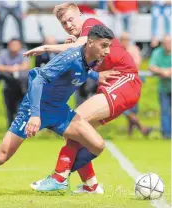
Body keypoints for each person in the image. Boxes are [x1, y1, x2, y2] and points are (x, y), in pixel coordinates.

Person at [0, 25, 120, 196]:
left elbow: (81, 70)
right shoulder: (70, 58)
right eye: (104, 45)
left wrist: (97, 76)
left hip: (58, 111)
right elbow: (38, 81)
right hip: (34, 108)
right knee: (1, 156)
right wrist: (35, 115)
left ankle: (59, 178)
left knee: (97, 145)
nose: (107, 51)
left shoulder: (93, 59)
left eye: (109, 46)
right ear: (90, 42)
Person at [24, 3, 141, 194]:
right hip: (112, 84)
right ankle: (90, 185)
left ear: (80, 13)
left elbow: (77, 46)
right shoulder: (81, 38)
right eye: (63, 23)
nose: (68, 24)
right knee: (78, 133)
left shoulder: (91, 24)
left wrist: (46, 47)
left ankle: (59, 177)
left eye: (71, 19)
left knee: (75, 121)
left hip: (125, 81)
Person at [120, 32, 152, 136]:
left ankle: (130, 134)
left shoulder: (133, 50)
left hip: (133, 82)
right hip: (121, 83)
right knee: (123, 107)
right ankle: (142, 129)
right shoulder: (117, 50)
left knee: (132, 108)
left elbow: (136, 64)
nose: (125, 41)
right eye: (123, 39)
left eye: (126, 39)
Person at [0, 38, 30, 128]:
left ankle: (22, 128)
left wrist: (15, 68)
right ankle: (11, 129)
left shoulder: (24, 53)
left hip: (22, 86)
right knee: (10, 109)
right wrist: (11, 69)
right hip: (8, 86)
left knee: (22, 108)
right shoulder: (3, 54)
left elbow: (26, 66)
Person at [149, 35, 171, 139]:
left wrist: (169, 71)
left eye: (169, 42)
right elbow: (151, 67)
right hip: (163, 88)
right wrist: (163, 71)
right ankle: (166, 134)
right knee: (165, 111)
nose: (168, 45)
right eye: (166, 42)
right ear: (162, 44)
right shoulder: (157, 53)